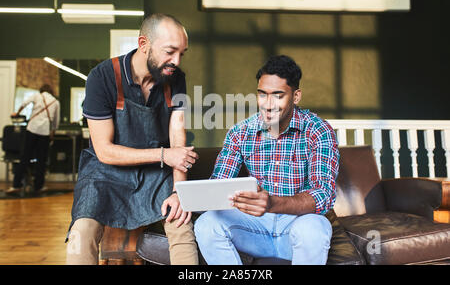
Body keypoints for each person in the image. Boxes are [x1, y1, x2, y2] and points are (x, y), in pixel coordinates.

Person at [66, 14, 199, 265]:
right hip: (105, 172)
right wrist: (163, 155)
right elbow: (104, 151)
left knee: (181, 223)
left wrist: (179, 191)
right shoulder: (102, 77)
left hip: (154, 173)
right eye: (170, 51)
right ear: (143, 44)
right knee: (81, 232)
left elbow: (177, 135)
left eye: (182, 53)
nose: (177, 61)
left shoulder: (175, 78)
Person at [194, 55, 340, 265]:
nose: (268, 104)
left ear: (296, 96)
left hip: (298, 226)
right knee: (207, 224)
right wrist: (186, 199)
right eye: (262, 95)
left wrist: (272, 203)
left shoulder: (318, 130)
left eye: (278, 96)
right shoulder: (241, 132)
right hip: (255, 228)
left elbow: (324, 194)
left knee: (313, 229)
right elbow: (217, 184)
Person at [7, 84, 60, 193]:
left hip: (32, 128)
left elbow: (24, 103)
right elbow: (55, 122)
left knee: (25, 157)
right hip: (45, 131)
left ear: (41, 90)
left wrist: (17, 113)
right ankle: (38, 186)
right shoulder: (55, 102)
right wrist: (52, 133)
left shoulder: (37, 95)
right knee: (41, 160)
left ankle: (17, 185)